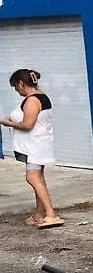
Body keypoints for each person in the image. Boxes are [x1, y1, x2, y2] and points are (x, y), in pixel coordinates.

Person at [2, 69, 63, 229]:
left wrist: (9, 123)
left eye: (16, 87)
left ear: (21, 83)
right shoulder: (40, 96)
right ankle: (40, 214)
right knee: (38, 178)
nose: (17, 91)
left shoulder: (32, 100)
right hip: (38, 144)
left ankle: (51, 214)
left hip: (35, 146)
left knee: (32, 177)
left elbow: (28, 125)